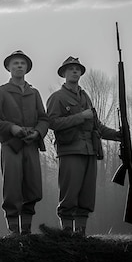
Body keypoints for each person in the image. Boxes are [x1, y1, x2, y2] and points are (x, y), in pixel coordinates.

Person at [46, 56, 121, 236]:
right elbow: (52, 122)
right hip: (70, 150)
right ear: (63, 73)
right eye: (71, 69)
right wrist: (80, 117)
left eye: (77, 69)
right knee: (69, 193)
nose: (74, 71)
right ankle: (66, 233)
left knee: (87, 195)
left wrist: (118, 135)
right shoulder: (57, 97)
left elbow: (97, 126)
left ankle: (81, 233)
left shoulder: (85, 97)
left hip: (90, 151)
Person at [0, 50, 49, 236]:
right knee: (12, 187)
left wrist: (38, 132)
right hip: (11, 145)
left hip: (31, 145)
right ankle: (13, 231)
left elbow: (44, 118)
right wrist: (12, 128)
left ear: (27, 68)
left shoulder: (34, 93)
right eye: (15, 63)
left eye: (22, 63)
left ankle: (27, 230)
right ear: (8, 68)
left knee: (33, 187)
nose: (19, 66)